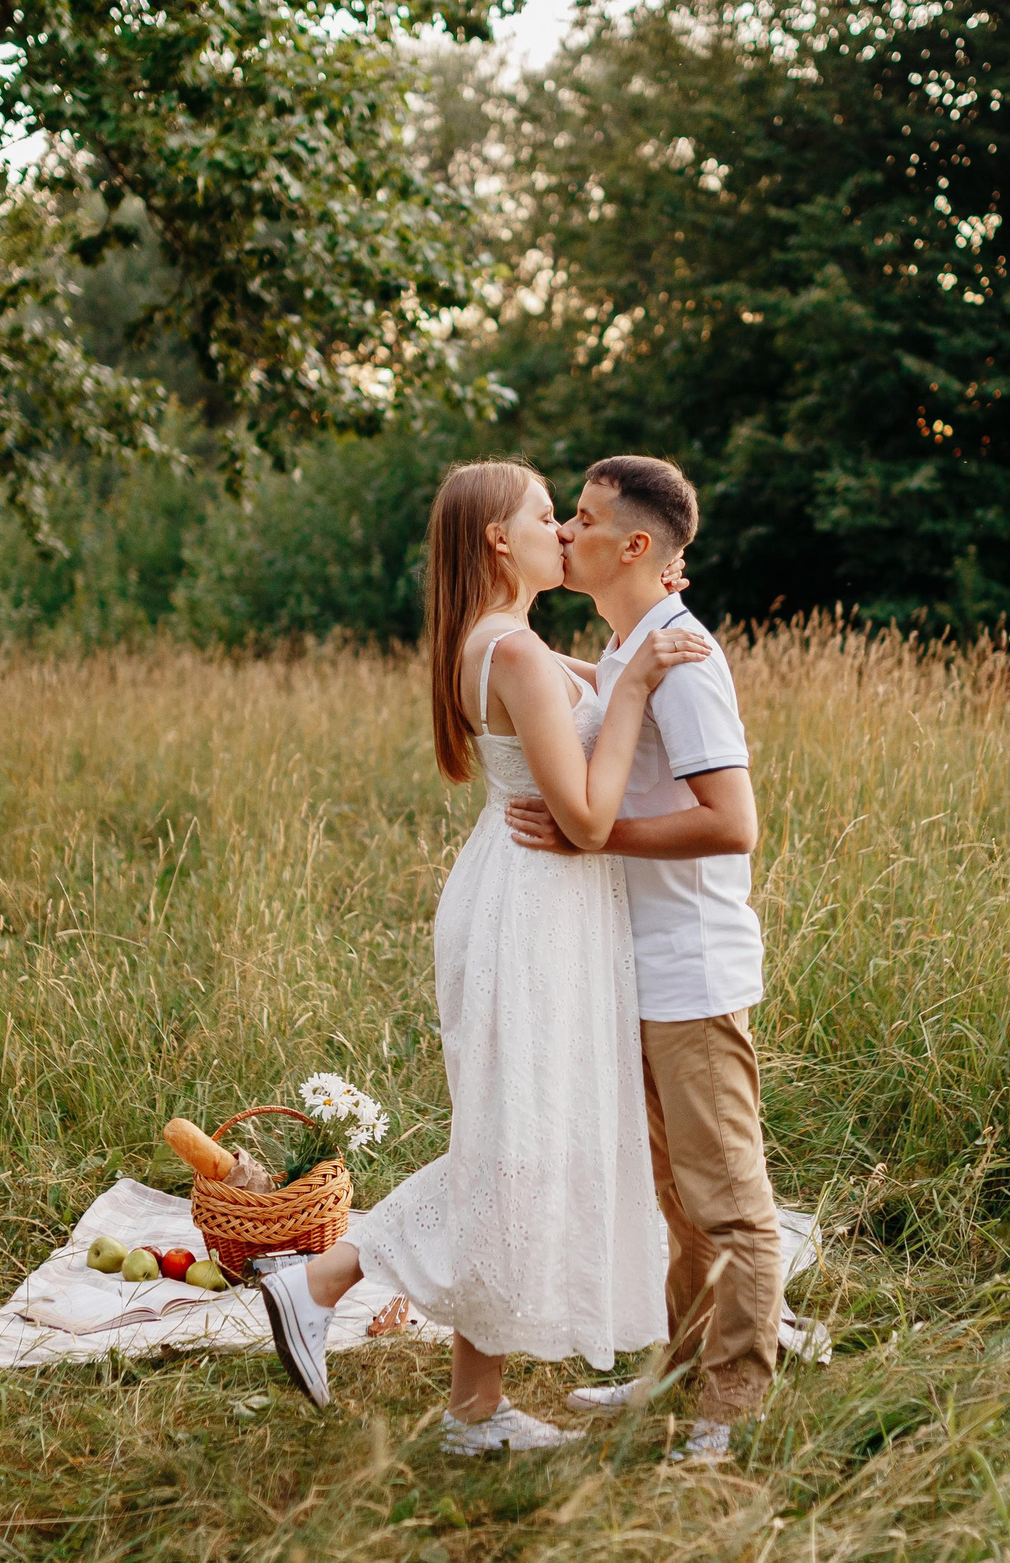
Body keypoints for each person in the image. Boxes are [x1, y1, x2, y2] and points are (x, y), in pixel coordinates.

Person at [256, 457, 712, 1456]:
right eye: (548, 516)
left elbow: (591, 699)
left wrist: (636, 630)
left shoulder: (517, 644)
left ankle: (470, 1404)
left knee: (523, 1140)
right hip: (533, 902)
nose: (563, 530)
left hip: (538, 899)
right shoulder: (508, 652)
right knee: (514, 1147)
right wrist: (633, 680)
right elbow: (587, 817)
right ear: (499, 541)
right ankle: (326, 1286)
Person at [503, 455, 778, 1465]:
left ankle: (730, 1406)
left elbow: (731, 823)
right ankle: (678, 1369)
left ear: (635, 547)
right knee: (675, 1199)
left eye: (580, 518)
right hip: (638, 965)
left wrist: (595, 837)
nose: (564, 532)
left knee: (730, 1205)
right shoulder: (630, 646)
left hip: (692, 972)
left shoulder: (683, 656)